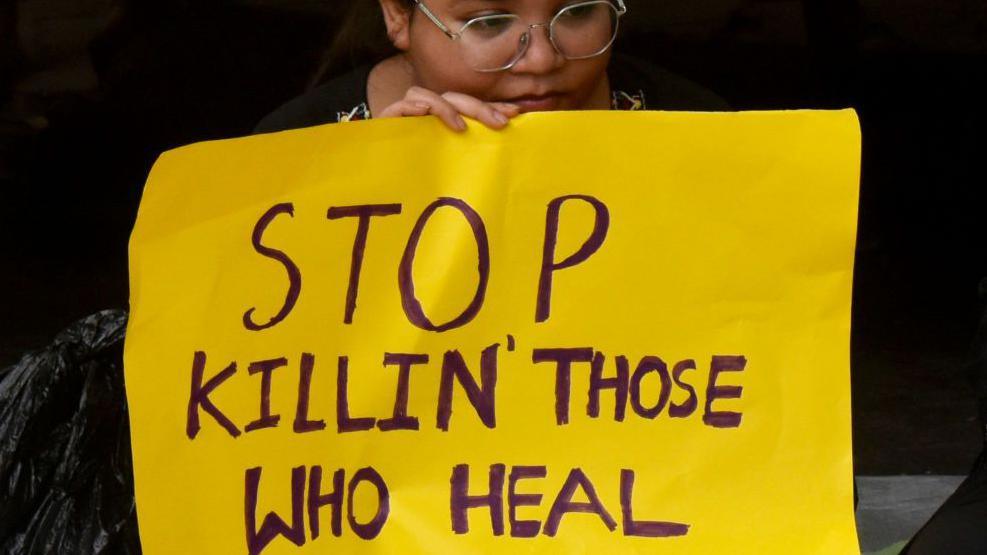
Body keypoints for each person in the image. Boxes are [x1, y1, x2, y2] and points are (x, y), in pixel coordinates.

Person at [256, 0, 728, 134]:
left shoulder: (698, 129)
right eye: (489, 23)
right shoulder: (296, 148)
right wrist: (379, 184)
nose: (543, 59)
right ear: (398, 16)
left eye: (579, 11)